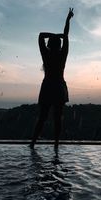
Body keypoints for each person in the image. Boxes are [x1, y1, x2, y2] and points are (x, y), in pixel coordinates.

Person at [30, 8, 74, 149]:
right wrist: (67, 20)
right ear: (60, 45)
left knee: (42, 117)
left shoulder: (46, 55)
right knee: (57, 118)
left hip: (48, 86)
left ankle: (33, 143)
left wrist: (55, 35)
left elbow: (41, 35)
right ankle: (56, 144)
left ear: (49, 45)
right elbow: (66, 36)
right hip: (59, 87)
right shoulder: (62, 55)